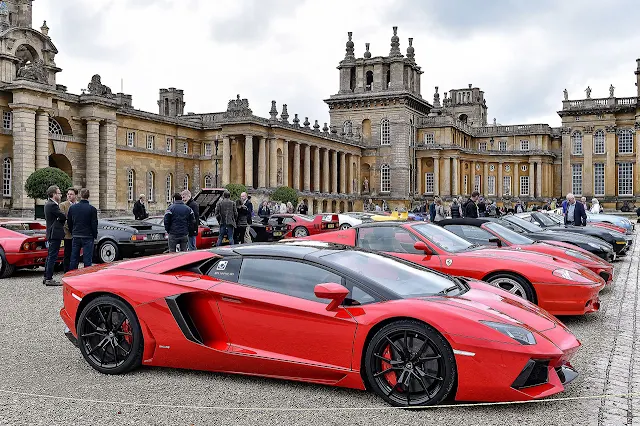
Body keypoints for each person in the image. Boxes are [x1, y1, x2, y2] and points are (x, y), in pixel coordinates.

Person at [68, 188, 98, 270]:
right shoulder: (92, 209)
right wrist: (95, 235)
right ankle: (86, 278)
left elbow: (69, 222)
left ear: (80, 196)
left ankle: (72, 276)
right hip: (88, 236)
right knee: (87, 259)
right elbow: (94, 224)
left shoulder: (72, 208)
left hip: (76, 235)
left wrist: (72, 232)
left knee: (74, 258)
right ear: (88, 196)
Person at [43, 185, 65, 286]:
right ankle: (49, 278)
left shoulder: (48, 204)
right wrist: (61, 218)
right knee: (52, 256)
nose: (60, 195)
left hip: (51, 233)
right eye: (59, 193)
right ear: (54, 194)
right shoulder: (53, 205)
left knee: (50, 256)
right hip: (54, 234)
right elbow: (62, 216)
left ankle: (46, 277)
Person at [59, 187, 77, 272]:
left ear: (75, 195)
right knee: (67, 254)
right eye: (68, 194)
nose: (69, 196)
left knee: (76, 254)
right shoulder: (63, 205)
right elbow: (64, 220)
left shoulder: (78, 205)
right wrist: (72, 229)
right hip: (68, 234)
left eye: (71, 194)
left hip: (77, 234)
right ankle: (66, 271)